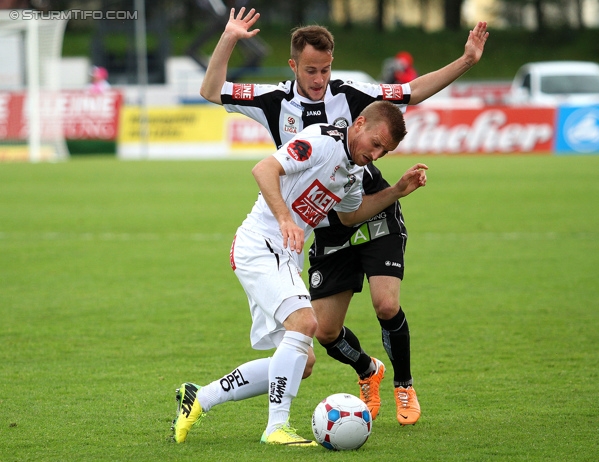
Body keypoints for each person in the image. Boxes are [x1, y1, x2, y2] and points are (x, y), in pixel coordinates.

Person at [198, 7, 489, 427]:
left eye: (326, 70)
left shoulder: (352, 94)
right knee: (325, 332)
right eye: (312, 71)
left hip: (370, 207)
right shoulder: (273, 101)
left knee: (386, 304)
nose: (320, 80)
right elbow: (211, 90)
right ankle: (369, 371)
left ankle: (404, 386)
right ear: (294, 65)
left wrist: (466, 61)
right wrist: (228, 38)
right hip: (325, 223)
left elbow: (411, 93)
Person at [171, 100, 428, 445]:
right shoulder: (322, 140)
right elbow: (264, 169)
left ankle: (201, 396)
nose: (377, 154)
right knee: (307, 324)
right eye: (376, 143)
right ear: (360, 123)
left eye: (386, 151)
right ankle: (276, 427)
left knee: (301, 363)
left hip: (283, 256)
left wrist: (395, 191)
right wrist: (284, 219)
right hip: (260, 245)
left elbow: (351, 217)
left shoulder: (354, 173)